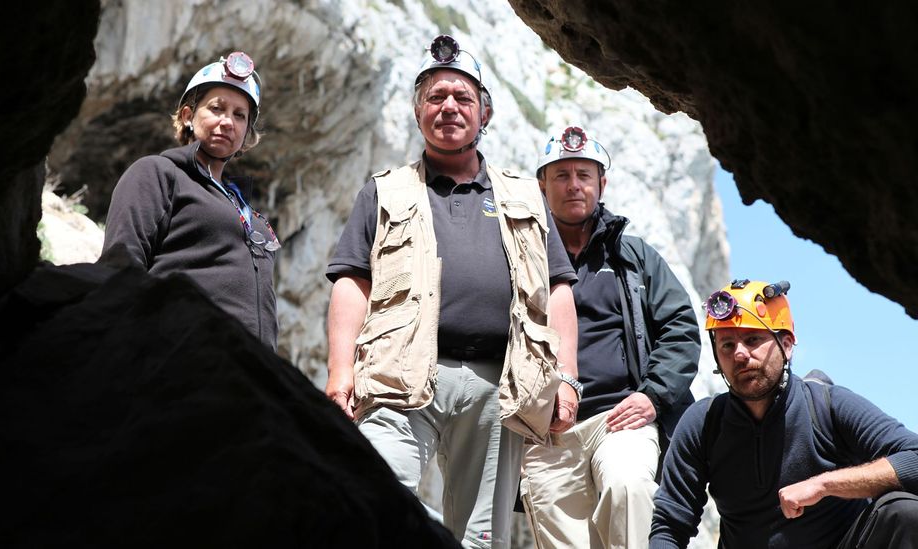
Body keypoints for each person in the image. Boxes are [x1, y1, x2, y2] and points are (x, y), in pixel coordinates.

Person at [324, 35, 579, 548]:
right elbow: (353, 281)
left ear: (485, 113)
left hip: (499, 385)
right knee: (372, 492)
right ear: (418, 111)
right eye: (435, 97)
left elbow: (558, 290)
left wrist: (567, 379)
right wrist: (339, 372)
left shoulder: (525, 195)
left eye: (462, 99)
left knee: (481, 538)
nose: (448, 108)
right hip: (397, 374)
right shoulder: (384, 189)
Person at [520, 125, 701, 549]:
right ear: (541, 185)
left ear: (602, 183)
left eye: (584, 175)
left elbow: (681, 327)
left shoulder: (633, 257)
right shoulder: (522, 256)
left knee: (629, 489)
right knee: (561, 532)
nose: (573, 185)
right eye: (561, 175)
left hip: (621, 418)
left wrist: (653, 396)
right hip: (545, 428)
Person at [650, 279, 918, 548]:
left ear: (787, 345)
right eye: (727, 345)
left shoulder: (827, 406)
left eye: (752, 339)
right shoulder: (703, 423)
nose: (740, 354)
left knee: (904, 512)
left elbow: (914, 459)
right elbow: (670, 525)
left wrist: (824, 485)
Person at [101, 51, 281, 350]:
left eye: (240, 115)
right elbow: (121, 264)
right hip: (178, 357)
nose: (227, 122)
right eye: (216, 108)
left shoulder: (249, 214)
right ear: (188, 116)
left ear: (247, 132)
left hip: (248, 375)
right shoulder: (157, 173)